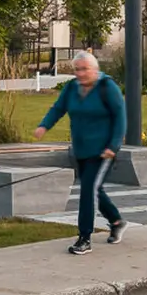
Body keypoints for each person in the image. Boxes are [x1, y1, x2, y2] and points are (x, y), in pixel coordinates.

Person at [37, 50, 126, 255]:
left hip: (103, 151)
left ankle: (84, 238)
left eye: (84, 69)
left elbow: (120, 118)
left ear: (95, 70)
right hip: (82, 149)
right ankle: (116, 221)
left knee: (88, 191)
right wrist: (44, 126)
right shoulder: (71, 88)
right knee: (94, 189)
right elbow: (58, 108)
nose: (80, 73)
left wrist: (113, 146)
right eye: (77, 69)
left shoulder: (107, 87)